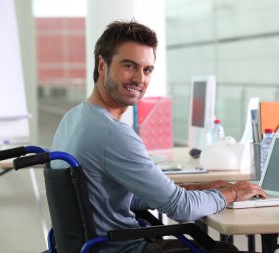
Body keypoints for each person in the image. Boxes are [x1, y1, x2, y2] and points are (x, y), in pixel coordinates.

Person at [51, 20, 267, 253]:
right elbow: (180, 208)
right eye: (129, 66)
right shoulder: (112, 133)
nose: (139, 79)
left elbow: (121, 198)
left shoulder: (72, 120)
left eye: (147, 69)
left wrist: (197, 187)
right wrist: (233, 192)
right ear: (102, 65)